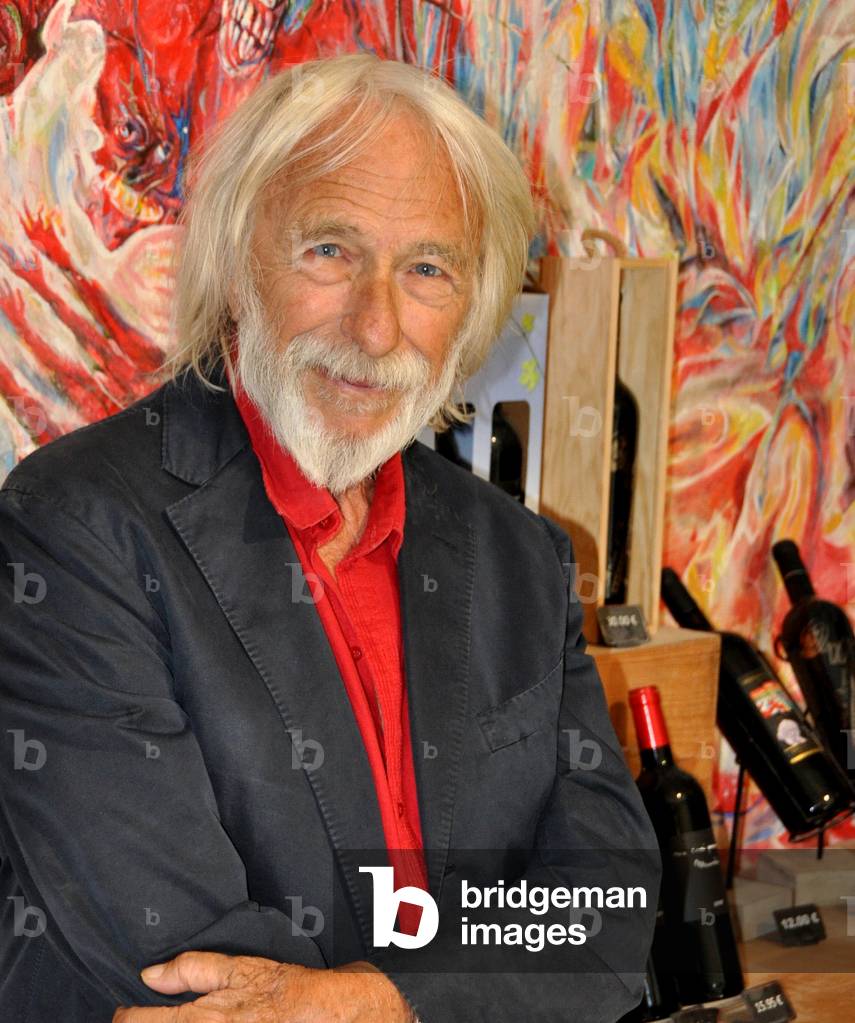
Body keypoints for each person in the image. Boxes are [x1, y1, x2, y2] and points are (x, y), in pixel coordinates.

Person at [0, 53, 660, 1022]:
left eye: (427, 270)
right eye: (331, 252)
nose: (377, 325)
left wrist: (376, 1004)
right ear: (235, 260)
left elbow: (597, 913)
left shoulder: (520, 556)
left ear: (472, 308)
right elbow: (185, 970)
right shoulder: (71, 529)